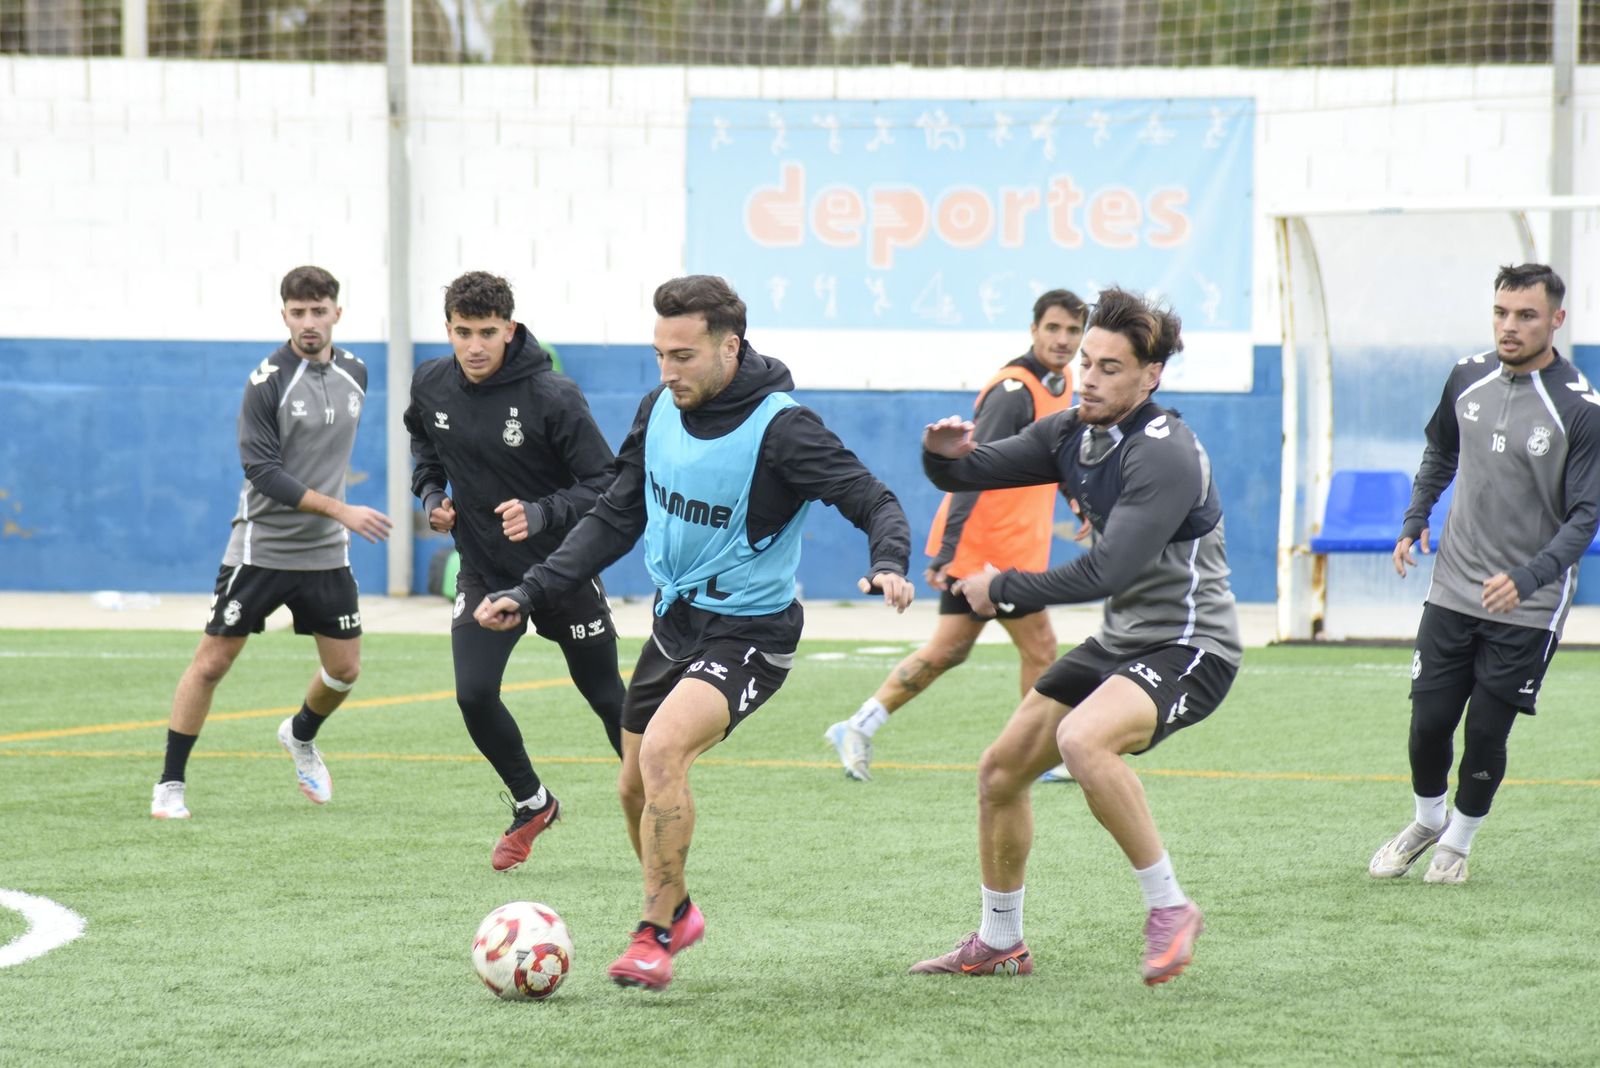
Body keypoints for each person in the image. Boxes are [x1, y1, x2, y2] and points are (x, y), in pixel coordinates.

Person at [474, 275, 915, 991]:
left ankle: (652, 934)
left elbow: (873, 498)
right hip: (676, 623)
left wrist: (888, 561)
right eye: (660, 355)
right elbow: (616, 515)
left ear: (729, 347)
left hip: (752, 631)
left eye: (682, 356)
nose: (667, 371)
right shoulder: (659, 410)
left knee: (664, 752)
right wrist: (530, 591)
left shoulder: (784, 429)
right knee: (631, 786)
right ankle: (678, 911)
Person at [908, 286, 1241, 986]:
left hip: (1189, 646)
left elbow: (1107, 570)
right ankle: (1001, 941)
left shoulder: (1165, 453)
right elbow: (969, 470)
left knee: (1082, 739)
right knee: (1001, 772)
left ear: (1151, 376)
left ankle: (1170, 907)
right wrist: (939, 455)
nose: (1088, 376)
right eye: (1087, 361)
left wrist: (1003, 587)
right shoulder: (1071, 433)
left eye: (1110, 368)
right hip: (1121, 643)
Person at [1371, 263, 1600, 885]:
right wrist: (1415, 516)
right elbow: (1441, 450)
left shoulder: (1580, 409)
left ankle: (1459, 842)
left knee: (1485, 733)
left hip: (1529, 603)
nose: (1509, 326)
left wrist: (1528, 577)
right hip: (1453, 586)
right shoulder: (1466, 377)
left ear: (1556, 319)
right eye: (1501, 312)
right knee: (1427, 725)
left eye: (1526, 315)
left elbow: (1585, 517)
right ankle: (1427, 821)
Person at [403, 271, 626, 872]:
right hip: (485, 572)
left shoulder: (554, 395)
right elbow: (425, 448)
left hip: (562, 570)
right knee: (474, 695)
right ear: (448, 329)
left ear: (510, 328)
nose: (474, 346)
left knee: (607, 698)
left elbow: (607, 484)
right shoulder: (431, 384)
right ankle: (533, 803)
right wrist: (432, 495)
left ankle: (655, 801)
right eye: (462, 332)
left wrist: (542, 511)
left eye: (487, 332)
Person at [152, 266, 393, 819]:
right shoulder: (267, 382)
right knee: (211, 664)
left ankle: (300, 735)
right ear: (283, 314)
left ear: (337, 312)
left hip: (325, 552)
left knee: (345, 671)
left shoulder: (356, 372)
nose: (309, 322)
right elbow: (263, 473)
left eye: (319, 311)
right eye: (298, 312)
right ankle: (170, 783)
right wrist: (342, 510)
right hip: (261, 549)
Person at [827, 290, 1086, 783]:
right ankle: (1035, 756)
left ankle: (859, 725)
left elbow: (1056, 457)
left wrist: (1077, 504)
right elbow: (971, 469)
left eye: (1073, 331)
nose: (1063, 339)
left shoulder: (1063, 382)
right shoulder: (1013, 391)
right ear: (1033, 330)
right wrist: (948, 550)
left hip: (1011, 546)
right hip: (990, 551)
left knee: (949, 650)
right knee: (1040, 648)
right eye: (1053, 328)